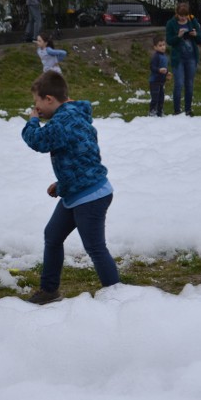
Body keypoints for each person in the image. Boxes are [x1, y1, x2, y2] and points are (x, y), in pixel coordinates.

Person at [20, 71, 120, 305]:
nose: (36, 108)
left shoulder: (64, 121)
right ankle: (49, 290)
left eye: (36, 103)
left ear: (49, 99)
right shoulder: (74, 114)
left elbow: (38, 141)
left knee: (95, 247)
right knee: (52, 235)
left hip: (90, 195)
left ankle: (118, 297)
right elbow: (80, 155)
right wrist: (63, 183)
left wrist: (33, 120)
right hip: (77, 190)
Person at [165, 2, 201, 116]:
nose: (183, 18)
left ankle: (188, 109)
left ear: (188, 14)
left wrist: (195, 35)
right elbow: (169, 41)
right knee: (179, 83)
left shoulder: (193, 22)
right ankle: (177, 110)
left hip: (191, 58)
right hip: (178, 59)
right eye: (181, 16)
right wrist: (178, 36)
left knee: (189, 84)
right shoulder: (171, 23)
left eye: (185, 16)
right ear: (176, 13)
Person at [148, 36, 170, 116]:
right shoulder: (156, 57)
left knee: (161, 98)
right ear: (155, 47)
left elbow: (165, 68)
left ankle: (160, 111)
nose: (162, 47)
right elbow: (152, 67)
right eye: (160, 45)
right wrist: (159, 70)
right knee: (155, 98)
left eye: (164, 45)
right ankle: (152, 111)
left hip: (161, 81)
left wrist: (167, 73)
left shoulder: (165, 56)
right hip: (154, 81)